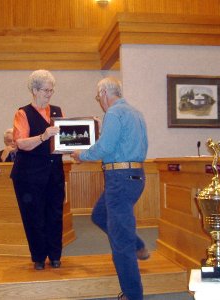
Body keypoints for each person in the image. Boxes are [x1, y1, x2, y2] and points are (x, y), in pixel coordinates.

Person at [71, 77, 149, 300]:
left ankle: (133, 295)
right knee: (99, 215)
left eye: (98, 97)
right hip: (135, 177)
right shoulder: (135, 112)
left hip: (120, 179)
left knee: (120, 240)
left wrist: (81, 155)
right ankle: (138, 245)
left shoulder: (114, 113)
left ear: (104, 92)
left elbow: (104, 147)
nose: (99, 101)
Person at [10, 70, 65, 271]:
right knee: (34, 216)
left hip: (54, 174)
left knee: (55, 213)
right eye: (45, 90)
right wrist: (43, 136)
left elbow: (62, 142)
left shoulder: (58, 111)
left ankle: (56, 255)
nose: (49, 94)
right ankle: (39, 257)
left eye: (51, 90)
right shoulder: (23, 113)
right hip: (29, 176)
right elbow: (21, 143)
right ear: (34, 90)